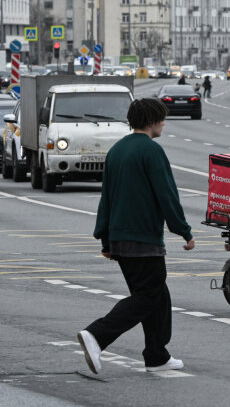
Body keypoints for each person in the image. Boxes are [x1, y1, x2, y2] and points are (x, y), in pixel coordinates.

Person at [77, 98, 195, 376]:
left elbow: (107, 197)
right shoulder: (151, 151)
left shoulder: (117, 150)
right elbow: (167, 195)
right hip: (143, 239)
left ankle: (156, 354)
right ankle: (97, 335)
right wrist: (184, 230)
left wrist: (105, 238)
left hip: (120, 238)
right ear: (152, 121)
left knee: (157, 295)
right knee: (147, 296)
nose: (164, 123)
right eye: (162, 118)